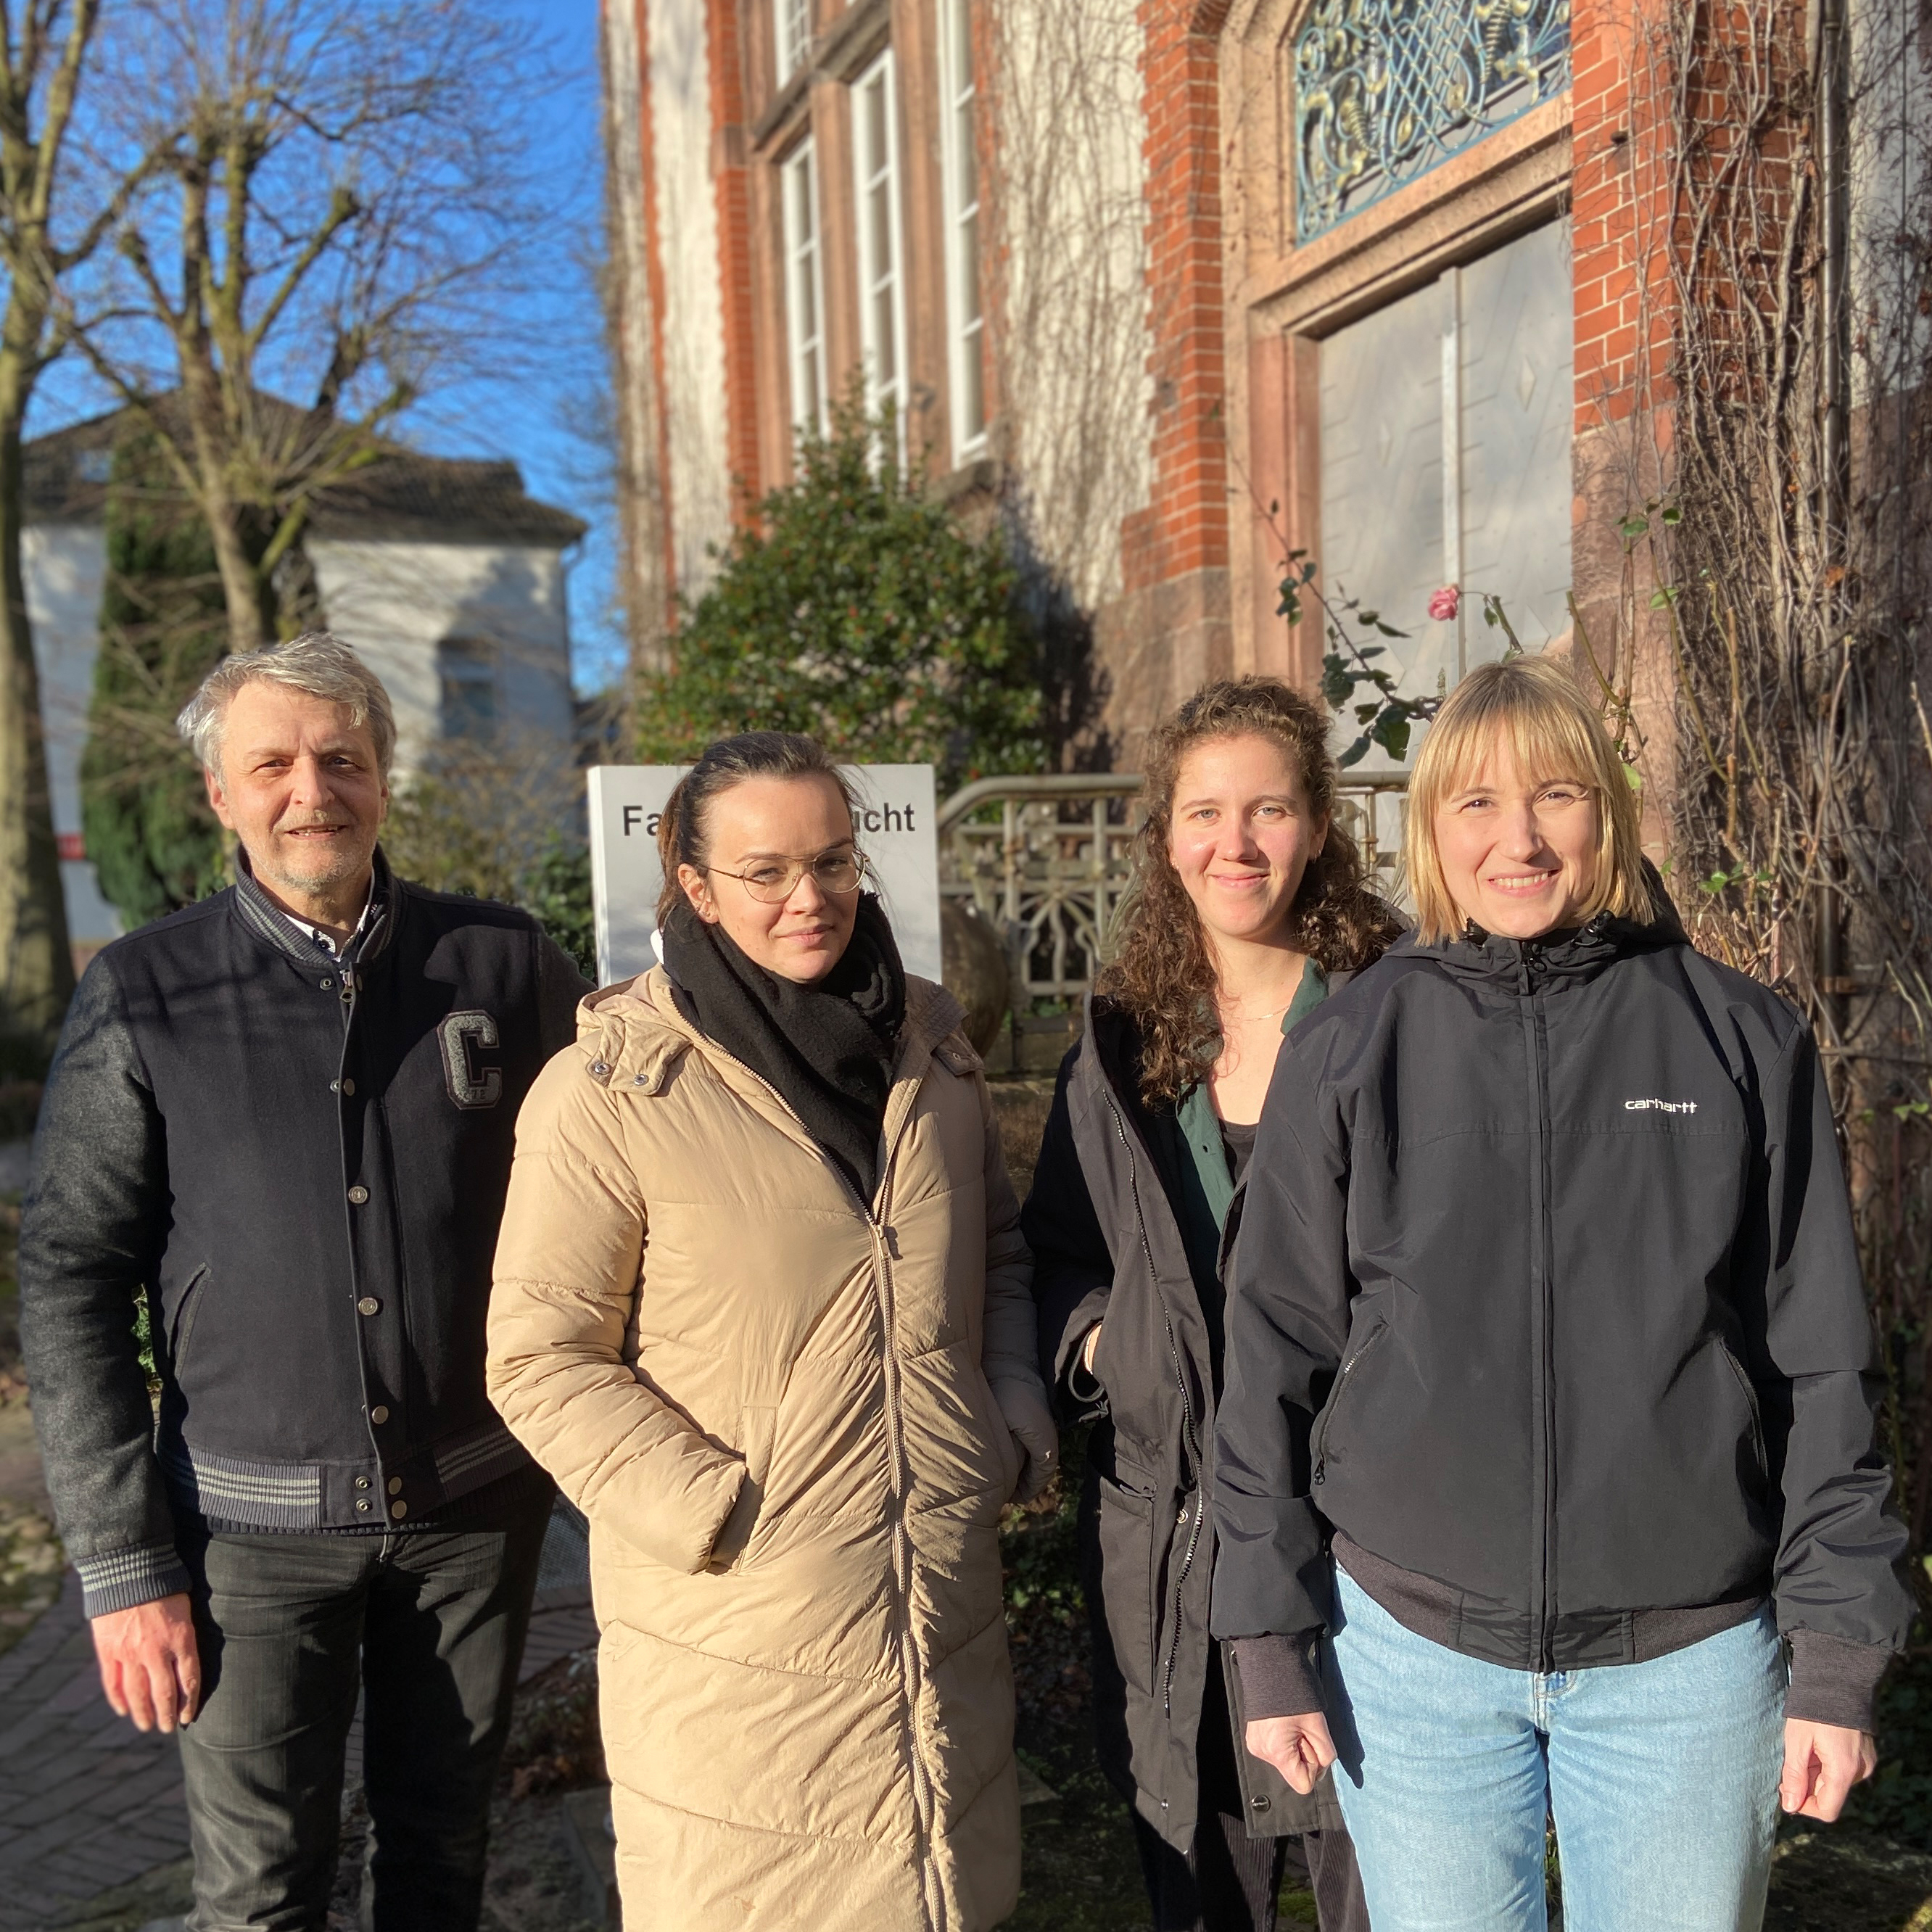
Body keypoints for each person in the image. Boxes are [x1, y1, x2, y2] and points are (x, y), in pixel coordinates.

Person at [1213, 656, 1912, 1932]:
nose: (1518, 839)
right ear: (1432, 831)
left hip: (1687, 1668)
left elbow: (1822, 1365)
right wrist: (1267, 1641)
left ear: (1610, 812)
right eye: (1475, 804)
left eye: (1556, 795)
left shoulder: (1742, 1040)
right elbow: (1270, 1355)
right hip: (1413, 1654)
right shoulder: (1355, 1043)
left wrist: (1837, 1655)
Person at [17, 632, 588, 1929]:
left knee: (442, 1857)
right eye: (270, 763)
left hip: (472, 1514)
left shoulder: (503, 968)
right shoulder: (144, 994)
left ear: (386, 775)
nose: (309, 790)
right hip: (242, 1546)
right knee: (264, 1892)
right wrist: (120, 1566)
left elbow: (619, 1201)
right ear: (221, 794)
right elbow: (71, 1281)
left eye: (340, 758)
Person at [485, 730, 1056, 1932]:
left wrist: (1005, 1416)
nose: (813, 899)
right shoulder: (610, 1093)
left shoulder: (932, 1058)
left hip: (938, 1617)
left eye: (836, 862)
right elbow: (539, 1357)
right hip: (737, 1646)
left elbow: (998, 1255)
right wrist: (717, 1509)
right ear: (694, 887)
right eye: (767, 872)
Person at [1025, 677, 1397, 1932]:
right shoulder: (1120, 1044)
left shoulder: (1403, 1012)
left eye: (1270, 810)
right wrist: (1104, 1352)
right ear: (1165, 834)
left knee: (1381, 1872)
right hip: (1172, 1532)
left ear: (1319, 828)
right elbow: (1059, 1250)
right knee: (1203, 1879)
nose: (1235, 844)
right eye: (1204, 812)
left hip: (1371, 1523)